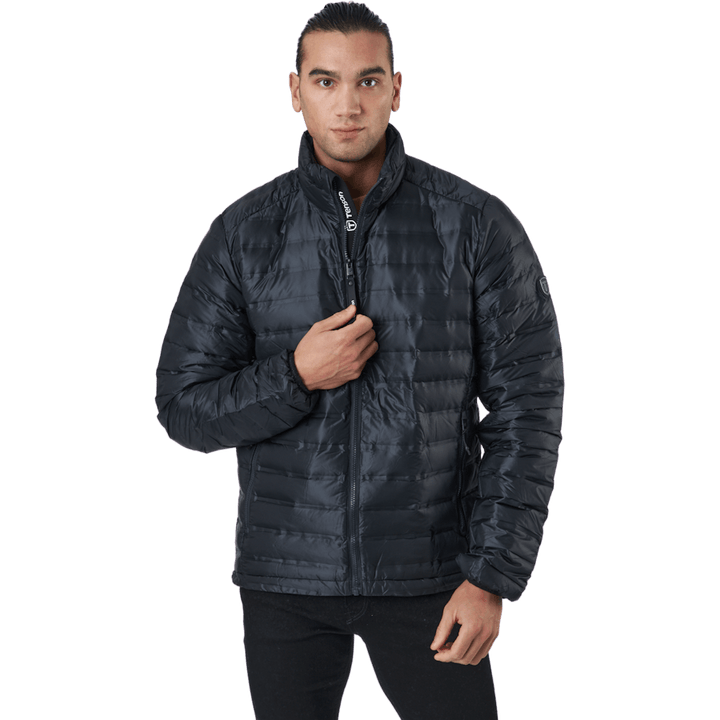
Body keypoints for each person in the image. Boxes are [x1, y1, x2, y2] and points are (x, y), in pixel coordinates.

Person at [154, 2, 564, 718]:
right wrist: (296, 376)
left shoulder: (474, 225)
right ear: (295, 91)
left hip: (431, 575)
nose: (347, 105)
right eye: (326, 81)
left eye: (368, 81)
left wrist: (490, 576)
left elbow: (529, 409)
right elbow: (183, 408)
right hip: (286, 578)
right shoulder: (245, 233)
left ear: (397, 89)